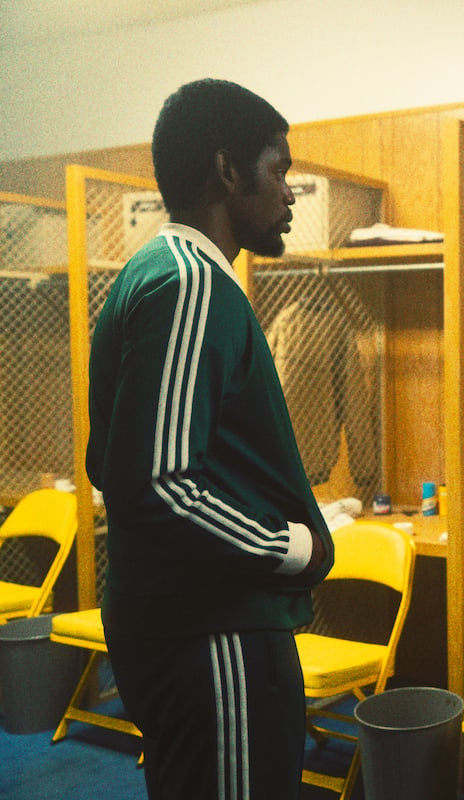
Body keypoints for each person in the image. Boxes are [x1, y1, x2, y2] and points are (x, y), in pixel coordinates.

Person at [87, 78, 335, 800]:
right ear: (227, 171)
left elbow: (122, 461)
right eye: (279, 168)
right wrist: (292, 547)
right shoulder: (191, 284)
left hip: (185, 625)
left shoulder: (155, 273)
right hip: (213, 631)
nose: (290, 193)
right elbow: (157, 482)